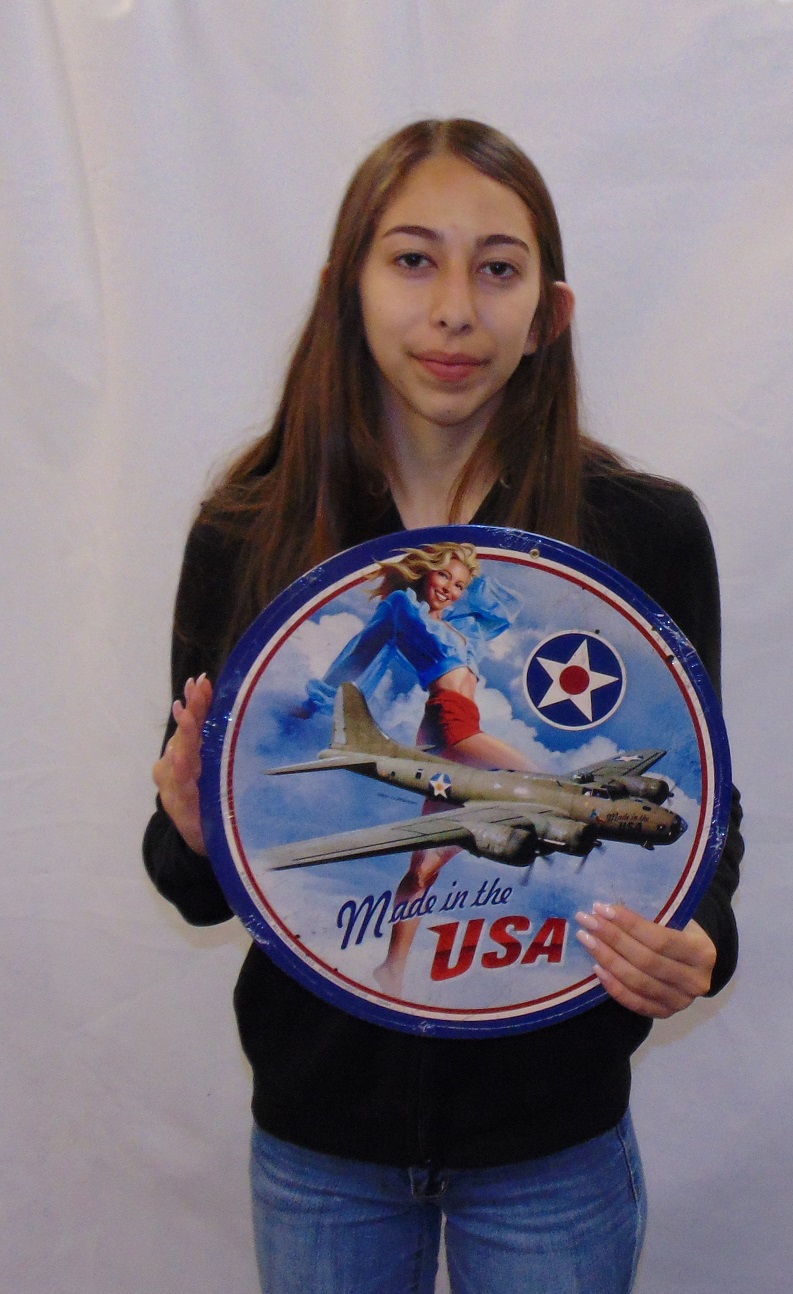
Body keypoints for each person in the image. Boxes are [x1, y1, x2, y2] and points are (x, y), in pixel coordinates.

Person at [144, 118, 742, 1294]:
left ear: (549, 312)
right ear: (347, 290)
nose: (455, 309)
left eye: (497, 268)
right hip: (321, 1142)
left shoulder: (642, 533)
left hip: (553, 1140)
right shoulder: (248, 533)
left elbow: (703, 815)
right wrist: (193, 828)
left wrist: (701, 939)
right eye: (413, 259)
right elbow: (195, 881)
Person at [303, 539, 540, 994]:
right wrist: (317, 701)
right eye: (443, 575)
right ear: (424, 571)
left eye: (460, 584)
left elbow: (503, 605)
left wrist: (465, 566)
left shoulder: (465, 625)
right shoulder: (403, 609)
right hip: (451, 724)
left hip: (449, 732)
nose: (450, 588)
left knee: (424, 868)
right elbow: (358, 654)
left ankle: (391, 969)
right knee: (541, 774)